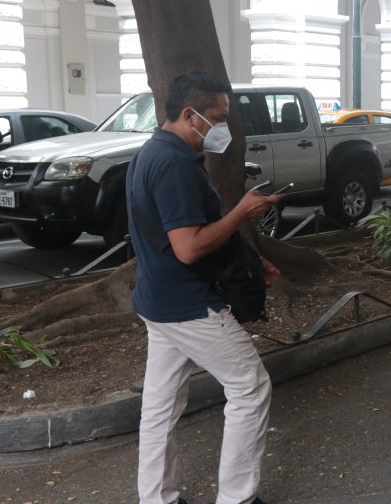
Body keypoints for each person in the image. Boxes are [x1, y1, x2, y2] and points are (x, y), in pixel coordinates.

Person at [128, 71, 281, 504]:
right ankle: (238, 498)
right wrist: (241, 213)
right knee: (250, 388)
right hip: (188, 304)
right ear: (190, 114)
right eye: (218, 117)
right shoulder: (174, 164)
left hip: (158, 299)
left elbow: (176, 233)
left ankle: (157, 498)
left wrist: (251, 258)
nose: (223, 127)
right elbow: (189, 248)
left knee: (160, 408)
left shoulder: (152, 152)